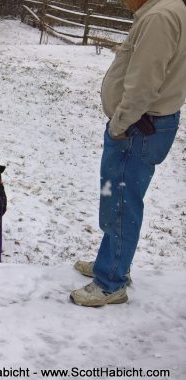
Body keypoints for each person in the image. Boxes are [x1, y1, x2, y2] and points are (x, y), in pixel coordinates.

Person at [70, 0, 186, 307]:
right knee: (116, 197)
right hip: (141, 124)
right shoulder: (166, 11)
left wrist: (120, 124)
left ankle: (111, 283)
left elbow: (144, 83)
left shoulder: (160, 17)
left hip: (138, 127)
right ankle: (111, 262)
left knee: (121, 201)